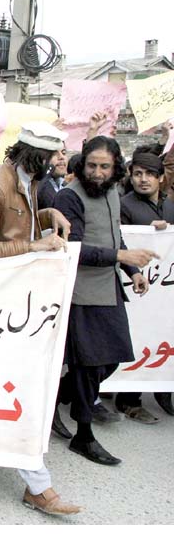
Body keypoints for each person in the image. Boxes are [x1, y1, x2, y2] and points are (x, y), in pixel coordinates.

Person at [0, 122, 79, 517]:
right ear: (34, 155)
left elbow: (20, 222)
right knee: (20, 394)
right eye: (52, 157)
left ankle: (35, 481)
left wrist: (47, 214)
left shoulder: (27, 180)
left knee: (21, 392)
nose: (58, 163)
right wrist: (34, 245)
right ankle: (38, 485)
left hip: (19, 305)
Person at [54, 137, 158, 463]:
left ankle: (58, 395)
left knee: (111, 358)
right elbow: (75, 248)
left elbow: (116, 235)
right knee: (88, 366)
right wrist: (122, 254)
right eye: (91, 166)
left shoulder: (112, 192)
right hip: (81, 292)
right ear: (82, 165)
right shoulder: (68, 197)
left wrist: (131, 270)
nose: (97, 173)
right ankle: (83, 435)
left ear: (116, 169)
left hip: (109, 287)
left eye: (104, 167)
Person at [115, 151, 174, 419]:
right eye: (137, 173)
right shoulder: (124, 205)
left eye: (150, 174)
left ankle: (163, 389)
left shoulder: (170, 205)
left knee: (161, 334)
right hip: (136, 285)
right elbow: (122, 242)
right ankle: (129, 400)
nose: (143, 179)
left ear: (161, 178)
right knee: (138, 336)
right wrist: (148, 233)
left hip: (163, 290)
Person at [0, 122, 71, 263]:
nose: (61, 158)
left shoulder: (30, 179)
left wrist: (48, 215)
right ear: (38, 156)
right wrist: (32, 246)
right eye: (55, 154)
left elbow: (13, 224)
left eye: (62, 152)